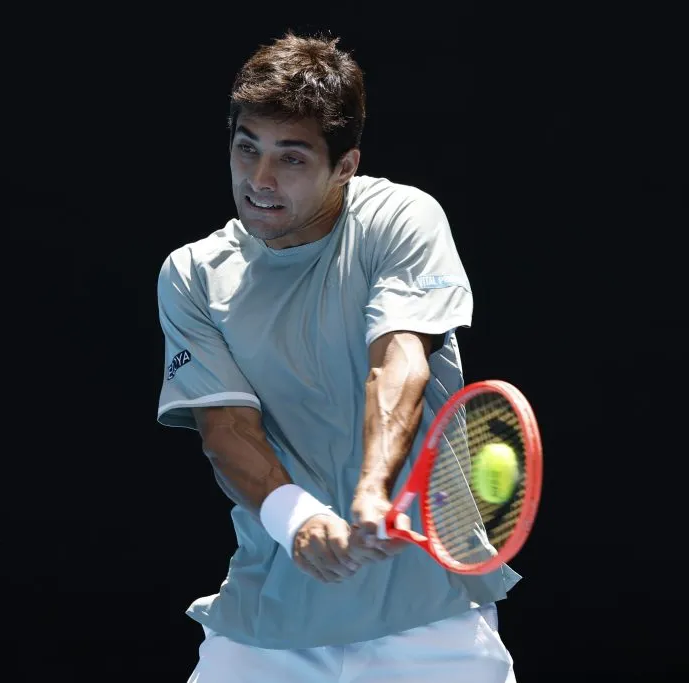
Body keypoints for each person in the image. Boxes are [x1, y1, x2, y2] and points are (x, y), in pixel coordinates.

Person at [156, 31, 521, 682]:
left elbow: (400, 359)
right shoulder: (192, 275)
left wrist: (375, 487)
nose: (260, 181)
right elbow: (226, 430)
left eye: (290, 159)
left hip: (431, 620)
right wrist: (300, 520)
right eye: (247, 150)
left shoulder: (402, 219)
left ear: (345, 165)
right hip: (268, 623)